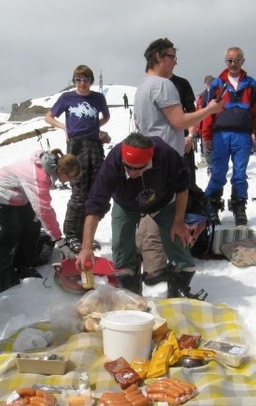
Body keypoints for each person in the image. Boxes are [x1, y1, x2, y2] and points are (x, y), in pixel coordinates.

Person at [133, 38, 222, 288]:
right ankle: (155, 269)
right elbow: (180, 121)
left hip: (149, 156)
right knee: (160, 211)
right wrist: (210, 110)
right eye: (172, 56)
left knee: (151, 208)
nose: (176, 61)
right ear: (159, 57)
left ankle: (151, 264)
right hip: (164, 159)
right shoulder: (164, 85)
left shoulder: (143, 86)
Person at [76, 132, 202, 299]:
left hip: (162, 201)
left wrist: (178, 222)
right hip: (125, 203)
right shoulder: (113, 161)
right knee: (121, 244)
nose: (132, 172)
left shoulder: (164, 153)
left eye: (139, 168)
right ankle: (132, 294)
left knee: (177, 240)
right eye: (128, 167)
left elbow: (182, 187)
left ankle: (179, 286)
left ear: (150, 158)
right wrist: (86, 248)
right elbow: (94, 205)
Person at [0, 149, 80, 279]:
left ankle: (21, 266)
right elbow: (44, 210)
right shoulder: (40, 177)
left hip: (18, 195)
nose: (69, 181)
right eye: (69, 177)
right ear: (61, 170)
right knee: (11, 232)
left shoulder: (48, 169)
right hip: (1, 194)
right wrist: (60, 242)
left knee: (32, 227)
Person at [44, 65, 110, 253]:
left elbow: (106, 116)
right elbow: (48, 117)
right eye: (78, 80)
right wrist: (64, 127)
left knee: (96, 190)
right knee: (79, 191)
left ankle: (85, 235)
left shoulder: (98, 98)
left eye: (86, 79)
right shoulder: (67, 98)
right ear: (74, 82)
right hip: (76, 146)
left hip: (95, 145)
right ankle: (71, 234)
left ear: (91, 81)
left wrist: (95, 127)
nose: (82, 83)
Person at [201, 46, 256, 225]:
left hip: (243, 136)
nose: (233, 64)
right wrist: (206, 136)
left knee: (240, 173)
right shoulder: (217, 84)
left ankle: (239, 206)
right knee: (218, 171)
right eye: (230, 61)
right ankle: (212, 205)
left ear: (243, 61)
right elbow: (207, 111)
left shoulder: (251, 84)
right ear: (225, 62)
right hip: (221, 136)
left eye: (237, 60)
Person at [195, 75, 215, 173]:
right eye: (207, 83)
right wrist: (198, 126)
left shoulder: (217, 94)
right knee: (206, 146)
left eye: (210, 82)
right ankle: (210, 164)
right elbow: (199, 111)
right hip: (204, 124)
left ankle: (212, 164)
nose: (208, 84)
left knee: (212, 146)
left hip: (215, 125)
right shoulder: (202, 97)